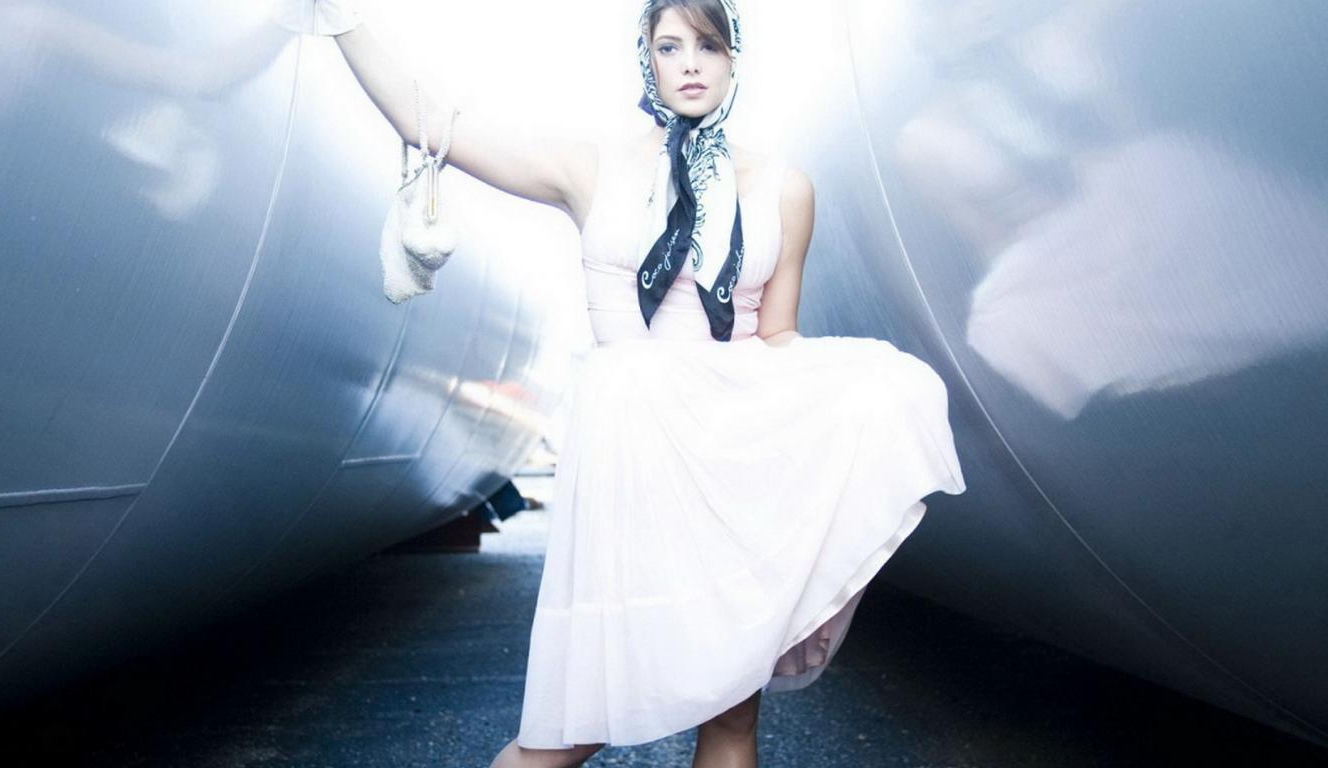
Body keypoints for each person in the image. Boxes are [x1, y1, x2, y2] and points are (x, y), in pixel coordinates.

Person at [277, 1, 967, 766]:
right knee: (572, 726)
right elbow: (431, 123)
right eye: (671, 47)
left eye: (709, 45)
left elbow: (776, 336)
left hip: (730, 456)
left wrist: (851, 395)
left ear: (734, 58)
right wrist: (341, 17)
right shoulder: (591, 170)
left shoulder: (785, 188)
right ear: (647, 60)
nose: (691, 63)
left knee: (731, 717)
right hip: (634, 448)